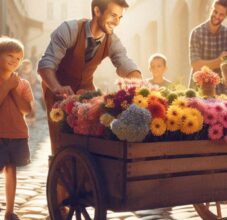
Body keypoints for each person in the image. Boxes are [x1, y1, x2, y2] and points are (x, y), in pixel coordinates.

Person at [38, 0, 141, 154]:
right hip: (57, 87)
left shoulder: (112, 39)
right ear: (97, 11)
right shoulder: (69, 30)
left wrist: (138, 79)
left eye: (120, 17)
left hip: (86, 89)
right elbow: (46, 65)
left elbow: (124, 61)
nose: (117, 22)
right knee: (60, 141)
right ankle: (59, 171)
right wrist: (57, 87)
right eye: (113, 15)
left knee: (92, 137)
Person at [0, 37, 34, 220]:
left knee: (11, 170)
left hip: (17, 134)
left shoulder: (23, 84)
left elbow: (26, 110)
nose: (15, 60)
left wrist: (13, 88)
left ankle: (9, 211)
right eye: (10, 56)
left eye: (19, 58)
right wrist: (6, 86)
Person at [189, 0, 227, 96]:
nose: (217, 16)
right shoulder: (196, 33)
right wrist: (220, 60)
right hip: (200, 86)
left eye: (221, 14)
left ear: (226, 16)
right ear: (211, 9)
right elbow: (195, 64)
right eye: (215, 12)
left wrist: (206, 64)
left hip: (223, 88)